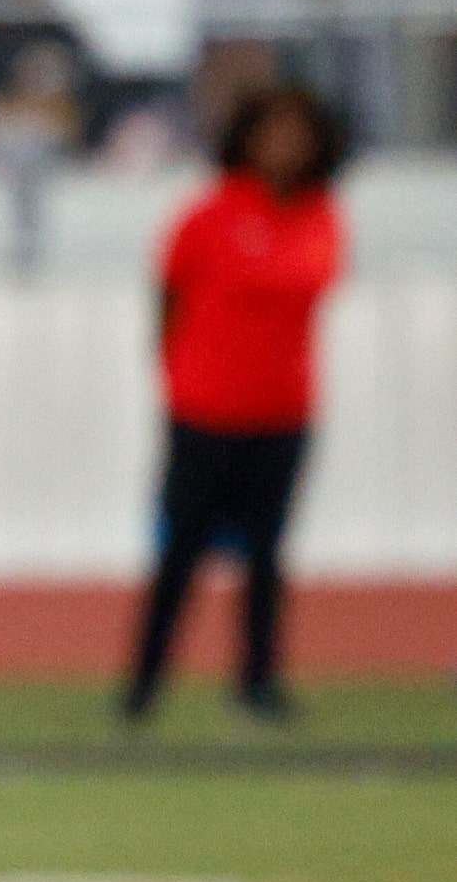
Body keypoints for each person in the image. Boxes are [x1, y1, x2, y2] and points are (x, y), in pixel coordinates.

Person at [123, 84, 347, 724]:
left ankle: (257, 680)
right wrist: (178, 373)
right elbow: (169, 294)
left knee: (267, 553)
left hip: (283, 411)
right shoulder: (208, 214)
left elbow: (309, 275)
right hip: (204, 408)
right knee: (179, 551)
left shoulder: (318, 216)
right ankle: (144, 682)